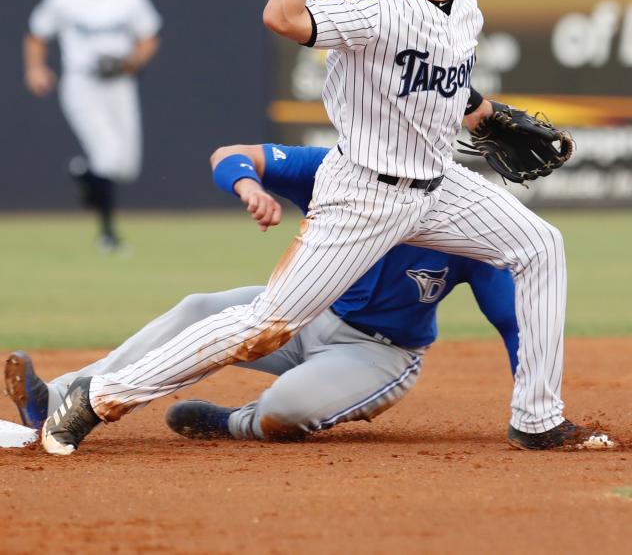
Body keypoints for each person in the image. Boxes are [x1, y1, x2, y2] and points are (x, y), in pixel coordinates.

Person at [40, 0, 614, 454]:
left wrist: (485, 116)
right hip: (366, 190)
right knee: (264, 324)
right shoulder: (375, 12)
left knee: (540, 245)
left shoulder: (464, 6)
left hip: (439, 184)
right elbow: (281, 15)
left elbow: (441, 84)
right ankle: (97, 397)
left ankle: (537, 419)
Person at [5, 141, 517, 440]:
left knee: (287, 408)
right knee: (199, 310)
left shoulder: (468, 220)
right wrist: (248, 187)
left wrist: (535, 413)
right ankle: (57, 398)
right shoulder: (339, 168)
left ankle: (236, 423)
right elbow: (232, 155)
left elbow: (512, 321)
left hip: (377, 353)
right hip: (305, 312)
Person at [24, 0, 161, 250]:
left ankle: (82, 172)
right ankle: (108, 235)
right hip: (82, 82)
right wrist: (35, 68)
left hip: (119, 82)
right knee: (108, 157)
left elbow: (149, 36)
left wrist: (131, 62)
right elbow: (36, 33)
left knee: (125, 165)